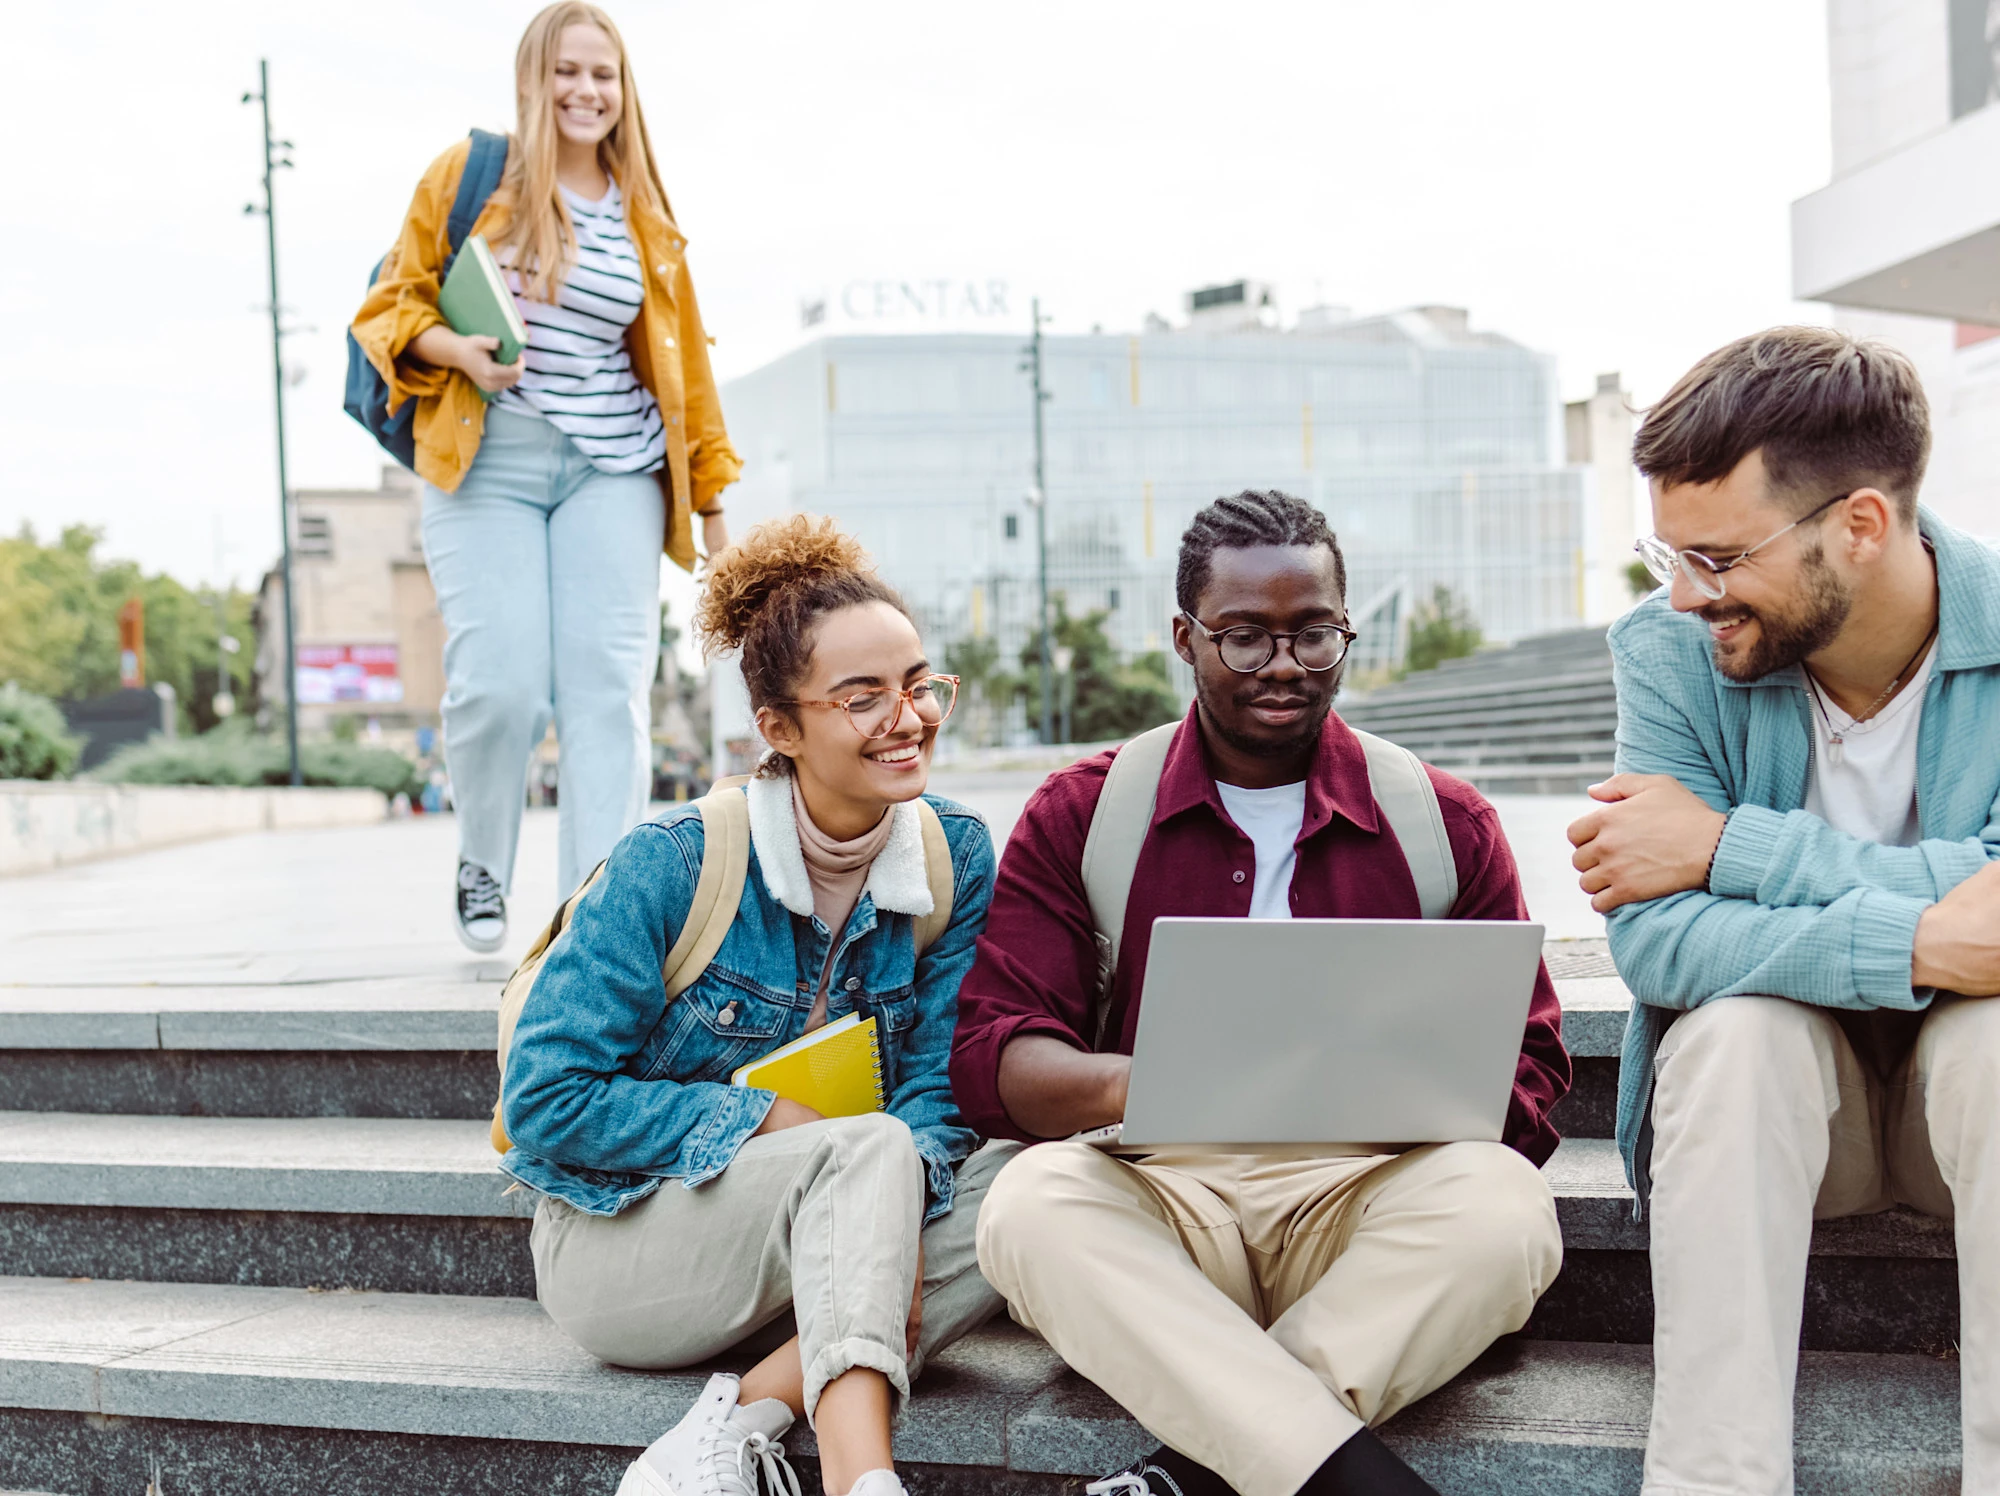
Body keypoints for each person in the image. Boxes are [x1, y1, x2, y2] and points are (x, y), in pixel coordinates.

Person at [952, 490, 1570, 1496]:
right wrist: (1153, 1081)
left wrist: (1406, 1080)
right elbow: (995, 1058)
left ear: (1346, 629)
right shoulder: (1085, 810)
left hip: (1364, 1201)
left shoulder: (1440, 819)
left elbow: (1532, 1072)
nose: (1281, 665)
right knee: (1028, 1205)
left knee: (1503, 1208)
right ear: (1183, 637)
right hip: (1166, 1199)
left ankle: (1188, 1479)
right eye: (1242, 638)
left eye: (1312, 634)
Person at [1565, 326, 2000, 1496]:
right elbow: (1653, 938)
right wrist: (1918, 937)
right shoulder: (1669, 651)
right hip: (1773, 1123)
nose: (1682, 590)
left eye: (1717, 554)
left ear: (1858, 524)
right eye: (1670, 550)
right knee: (1737, 1031)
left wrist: (1723, 845)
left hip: (1968, 1115)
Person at [500, 515, 1016, 1496]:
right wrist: (761, 1117)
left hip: (830, 1237)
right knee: (870, 1146)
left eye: (917, 683)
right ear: (779, 728)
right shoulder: (674, 862)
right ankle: (862, 1479)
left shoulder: (954, 854)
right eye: (861, 698)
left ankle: (744, 1416)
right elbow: (546, 1099)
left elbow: (937, 1090)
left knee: (1032, 1183)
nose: (905, 717)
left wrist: (884, 1193)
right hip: (629, 1244)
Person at [350, 2, 738, 951]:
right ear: (534, 78)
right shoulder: (471, 175)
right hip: (489, 462)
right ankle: (483, 858)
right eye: (566, 71)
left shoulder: (644, 212)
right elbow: (390, 305)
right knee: (500, 685)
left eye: (602, 74)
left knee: (608, 690)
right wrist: (464, 353)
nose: (585, 91)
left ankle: (591, 917)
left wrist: (716, 517)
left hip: (615, 470)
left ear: (623, 89)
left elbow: (685, 373)